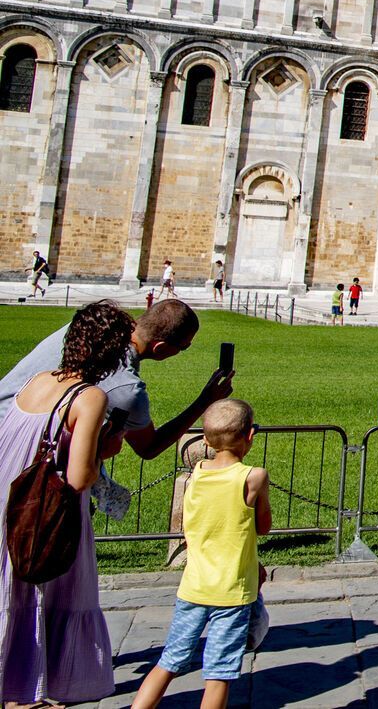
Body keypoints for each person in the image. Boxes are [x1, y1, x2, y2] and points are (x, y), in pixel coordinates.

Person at [0, 300, 130, 706]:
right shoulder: (90, 397)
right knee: (43, 592)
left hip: (10, 499)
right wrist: (105, 450)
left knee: (10, 593)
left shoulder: (37, 381)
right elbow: (78, 476)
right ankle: (31, 686)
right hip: (46, 512)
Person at [130, 398, 272, 709]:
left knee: (170, 660)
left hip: (193, 586)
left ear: (205, 440)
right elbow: (263, 527)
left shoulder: (197, 474)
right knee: (219, 672)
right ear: (250, 437)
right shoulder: (253, 477)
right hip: (232, 590)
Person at [0, 298, 232, 463]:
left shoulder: (88, 328)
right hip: (20, 455)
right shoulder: (125, 387)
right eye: (183, 348)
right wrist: (204, 401)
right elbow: (149, 447)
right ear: (160, 348)